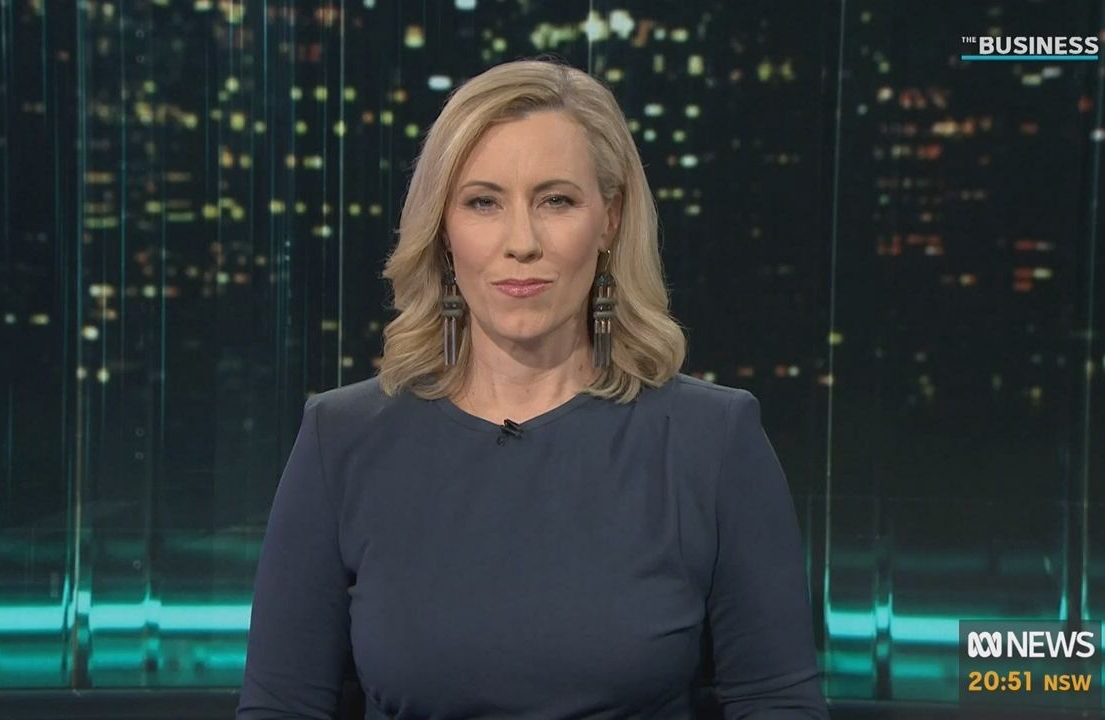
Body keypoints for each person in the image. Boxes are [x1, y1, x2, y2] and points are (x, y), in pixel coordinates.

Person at [236, 57, 827, 719]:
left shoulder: (710, 441)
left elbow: (777, 702)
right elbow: (280, 706)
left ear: (609, 219)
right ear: (443, 229)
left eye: (556, 201)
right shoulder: (341, 439)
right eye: (483, 202)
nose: (522, 242)